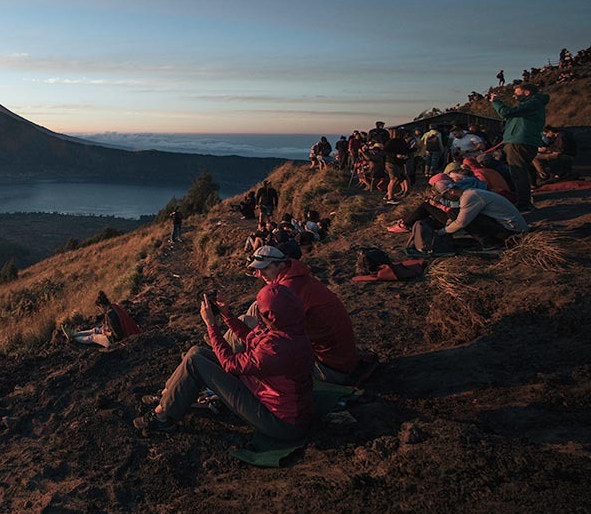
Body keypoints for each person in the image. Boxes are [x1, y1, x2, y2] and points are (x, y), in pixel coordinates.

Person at [133, 285, 314, 440]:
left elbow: (230, 364)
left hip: (279, 421)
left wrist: (211, 325)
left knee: (196, 361)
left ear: (272, 316)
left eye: (262, 311)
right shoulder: (289, 329)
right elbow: (251, 338)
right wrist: (227, 315)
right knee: (196, 352)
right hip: (271, 399)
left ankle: (161, 417)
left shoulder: (277, 348)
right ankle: (168, 395)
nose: (259, 314)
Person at [233, 246, 358, 382]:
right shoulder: (296, 277)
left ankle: (226, 358)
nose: (262, 275)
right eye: (258, 270)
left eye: (266, 269)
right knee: (255, 307)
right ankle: (226, 351)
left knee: (245, 322)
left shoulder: (288, 290)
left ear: (281, 264)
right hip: (339, 358)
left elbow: (277, 339)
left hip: (329, 367)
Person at [389, 181, 528, 248]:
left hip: (510, 231)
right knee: (456, 213)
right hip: (511, 228)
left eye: (445, 196)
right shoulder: (470, 193)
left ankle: (489, 243)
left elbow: (462, 222)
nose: (446, 199)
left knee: (459, 216)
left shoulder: (471, 197)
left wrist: (443, 232)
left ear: (452, 192)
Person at [491, 82, 549, 211]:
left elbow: (506, 112)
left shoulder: (533, 103)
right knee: (521, 171)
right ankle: (525, 199)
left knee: (518, 172)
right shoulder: (532, 105)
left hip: (519, 142)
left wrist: (496, 102)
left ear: (527, 92)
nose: (514, 96)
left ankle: (524, 203)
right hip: (521, 141)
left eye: (517, 93)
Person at [64, 291, 140, 349]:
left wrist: (106, 333)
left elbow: (117, 336)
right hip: (125, 334)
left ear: (101, 306)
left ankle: (75, 338)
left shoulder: (110, 315)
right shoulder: (114, 306)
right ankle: (74, 334)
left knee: (93, 337)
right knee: (96, 330)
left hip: (114, 342)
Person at [383, 128, 411, 202]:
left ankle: (390, 194)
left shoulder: (403, 141)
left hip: (400, 162)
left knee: (401, 177)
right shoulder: (391, 142)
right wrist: (396, 155)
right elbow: (385, 151)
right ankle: (390, 198)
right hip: (392, 162)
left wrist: (412, 150)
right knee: (394, 179)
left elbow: (406, 150)